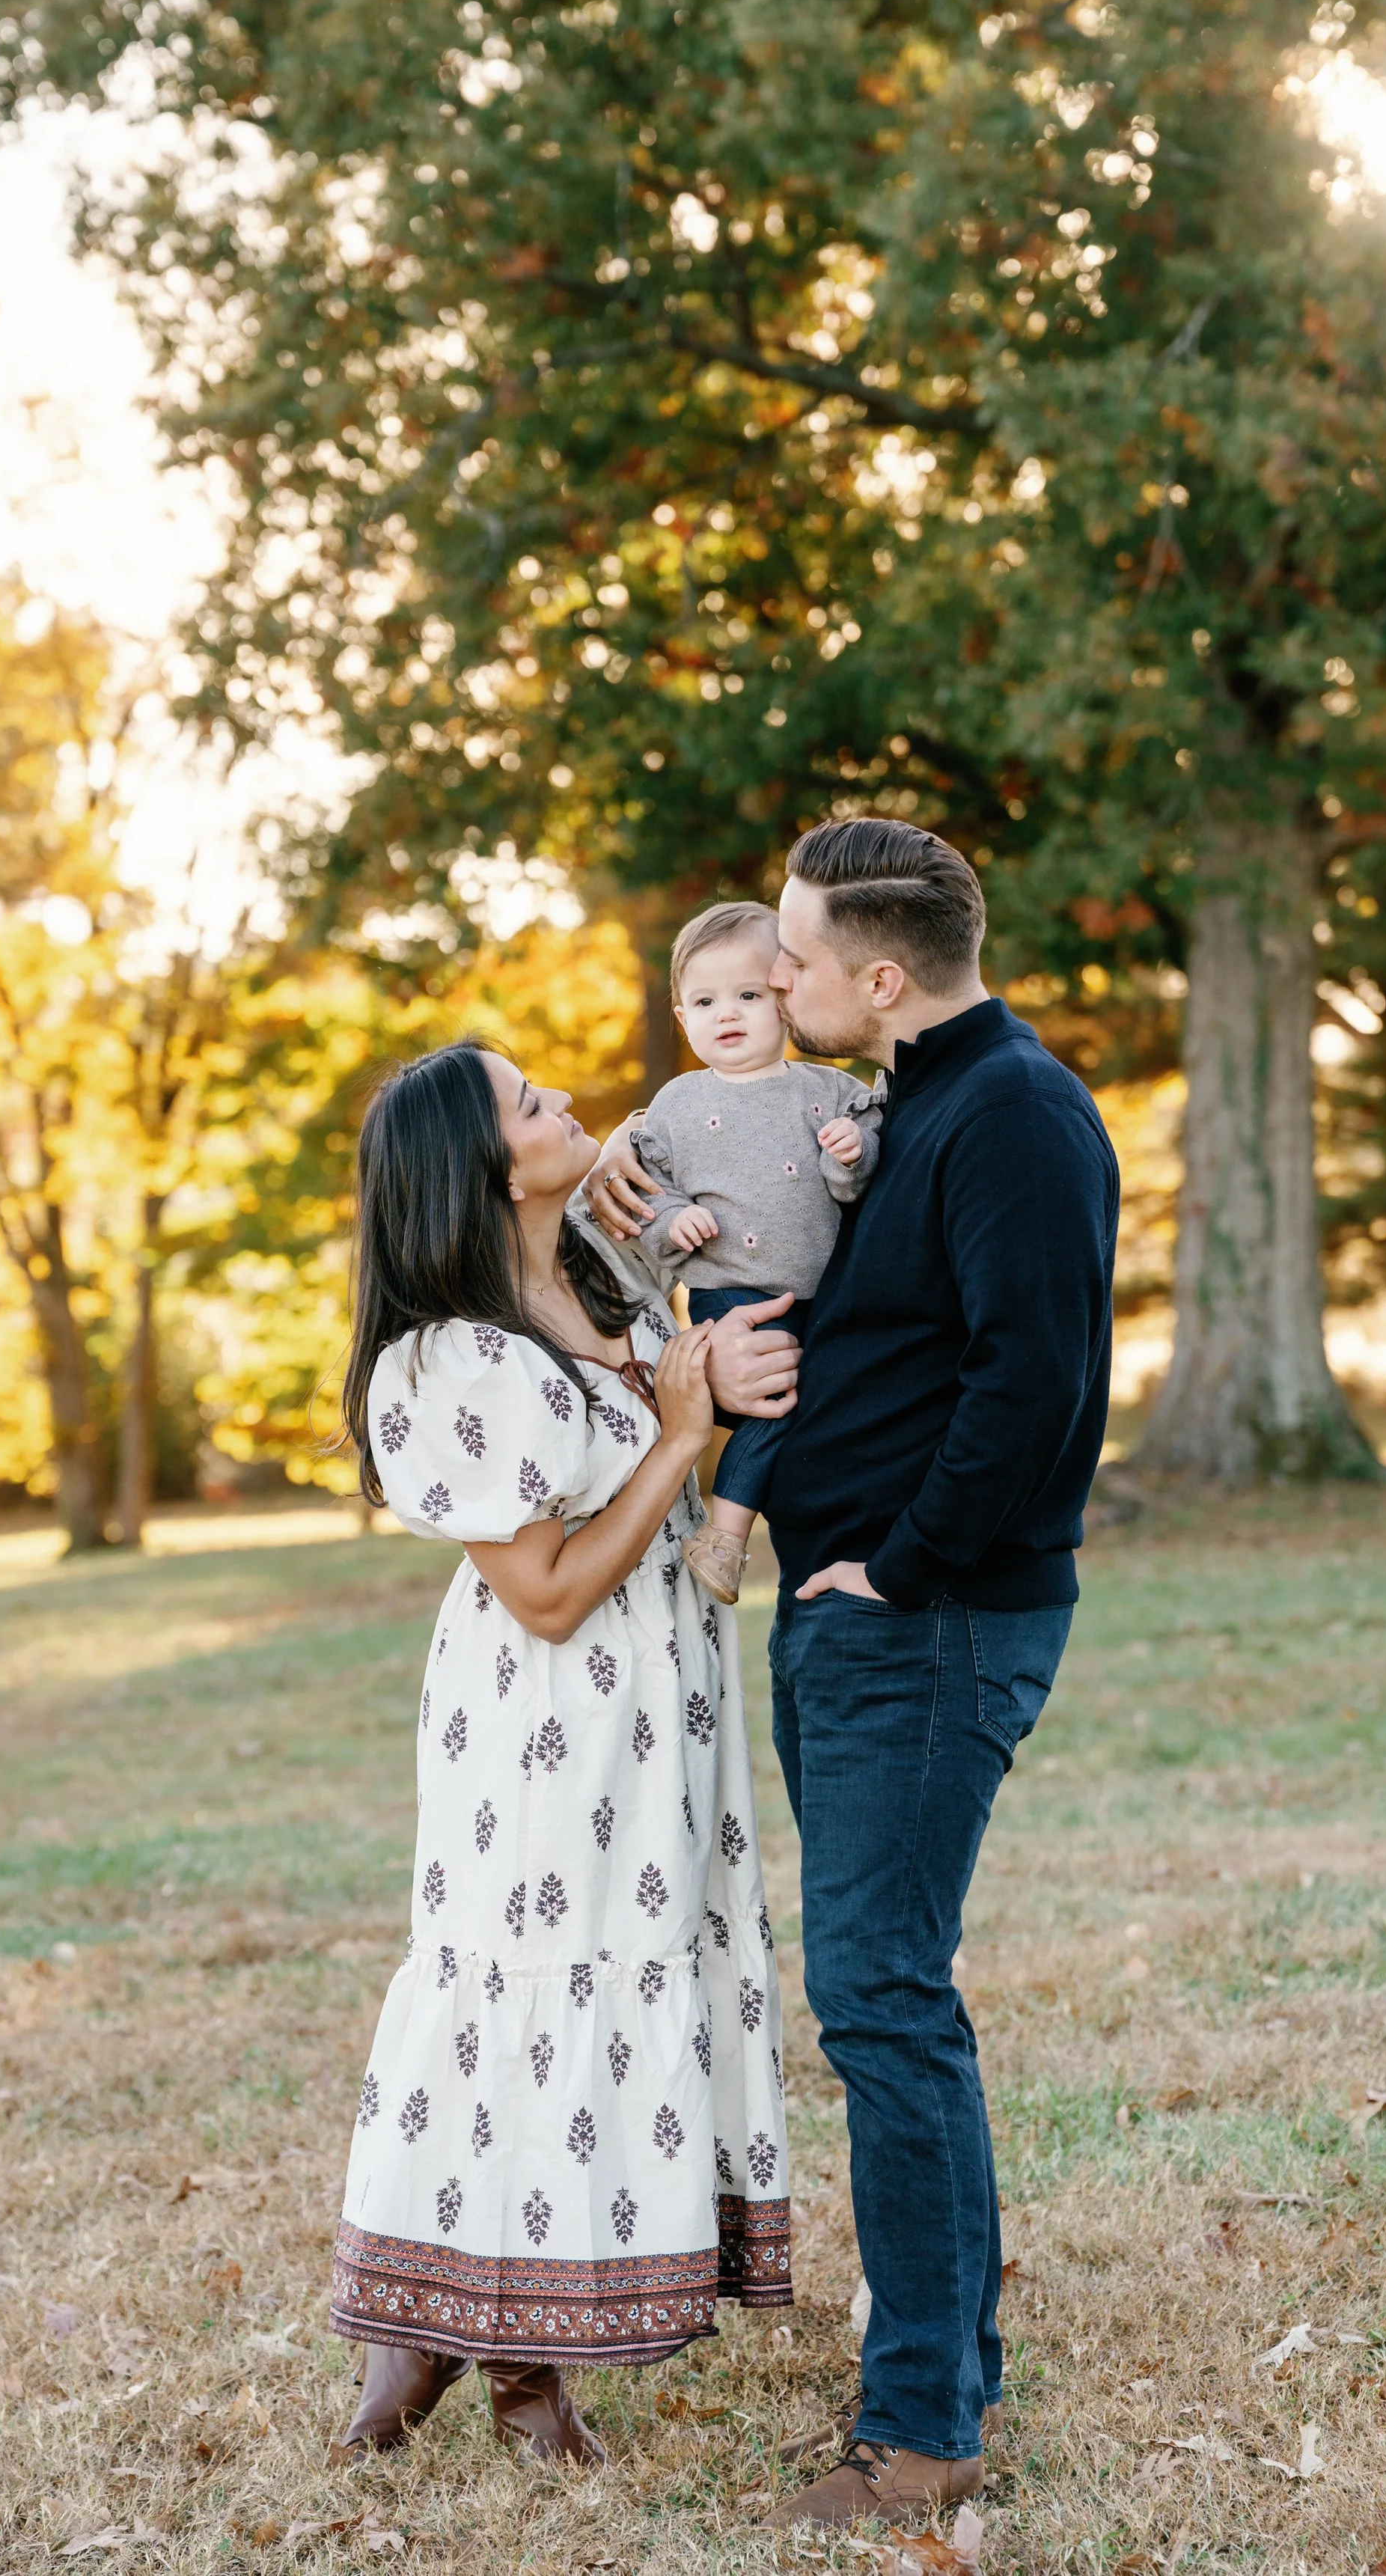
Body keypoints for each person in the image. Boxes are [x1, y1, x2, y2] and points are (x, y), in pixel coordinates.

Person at [588, 819, 1117, 2532]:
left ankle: (919, 2433)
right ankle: (953, 2355)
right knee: (895, 1995)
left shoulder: (1016, 1113)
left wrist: (893, 1559)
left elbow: (1035, 1381)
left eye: (800, 960)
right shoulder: (901, 1108)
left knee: (882, 1999)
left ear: (878, 975)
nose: (779, 986)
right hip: (856, 1610)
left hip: (924, 1612)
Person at [326, 1041, 791, 2471]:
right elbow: (540, 1592)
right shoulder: (451, 1358)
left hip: (659, 1699)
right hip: (546, 1720)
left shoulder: (598, 1274)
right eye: (532, 1106)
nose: (564, 1107)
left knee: (626, 1962)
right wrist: (678, 1436)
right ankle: (512, 2363)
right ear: (480, 1167)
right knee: (534, 1986)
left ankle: (439, 2342)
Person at [627, 897, 882, 1605]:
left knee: (812, 1411)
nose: (727, 1014)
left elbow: (858, 1178)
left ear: (784, 998)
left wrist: (849, 1154)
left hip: (822, 1292)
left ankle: (789, 1532)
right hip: (732, 1293)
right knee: (776, 1406)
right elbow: (648, 1188)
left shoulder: (828, 1089)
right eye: (705, 1001)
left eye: (747, 995)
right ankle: (728, 1535)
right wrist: (672, 1219)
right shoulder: (675, 1104)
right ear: (682, 1017)